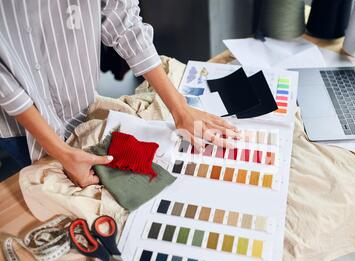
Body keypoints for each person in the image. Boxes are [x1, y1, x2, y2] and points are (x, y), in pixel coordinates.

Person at [0, 0, 238, 187]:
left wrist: (180, 108)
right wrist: (61, 153)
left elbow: (124, 22)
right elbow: (5, 85)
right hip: (20, 128)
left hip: (79, 102)